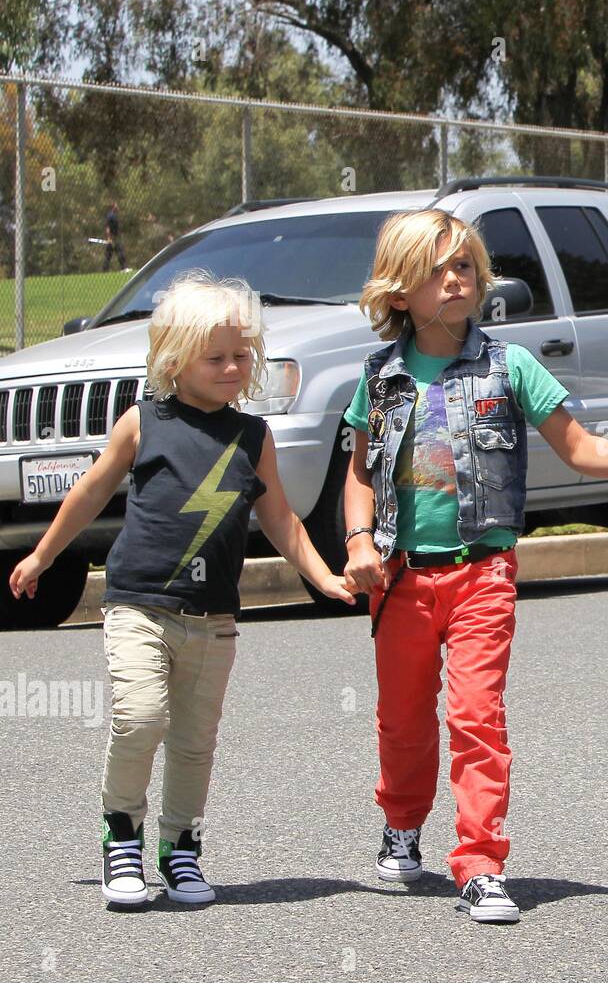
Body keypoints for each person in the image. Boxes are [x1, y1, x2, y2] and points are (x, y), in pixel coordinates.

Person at [341, 209, 608, 924]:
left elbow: (577, 442)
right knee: (401, 719)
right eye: (435, 269)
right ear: (400, 290)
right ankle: (401, 821)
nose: (454, 280)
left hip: (483, 571)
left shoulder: (508, 365)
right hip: (400, 581)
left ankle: (481, 860)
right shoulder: (379, 378)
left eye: (463, 266)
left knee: (476, 716)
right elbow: (359, 474)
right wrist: (359, 541)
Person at [7, 273, 356, 907]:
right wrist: (41, 555)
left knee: (195, 742)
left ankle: (181, 850)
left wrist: (322, 574)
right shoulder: (144, 423)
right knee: (140, 718)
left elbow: (279, 517)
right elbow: (88, 494)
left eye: (240, 355)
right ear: (174, 359)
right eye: (214, 356)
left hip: (213, 617)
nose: (231, 367)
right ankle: (122, 838)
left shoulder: (253, 437)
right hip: (138, 602)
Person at [103, 201, 128, 272]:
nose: (118, 207)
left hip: (114, 237)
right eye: (116, 205)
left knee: (109, 255)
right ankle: (124, 268)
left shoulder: (114, 215)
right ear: (113, 206)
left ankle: (105, 270)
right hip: (112, 238)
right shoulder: (111, 216)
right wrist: (109, 238)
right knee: (119, 252)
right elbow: (108, 228)